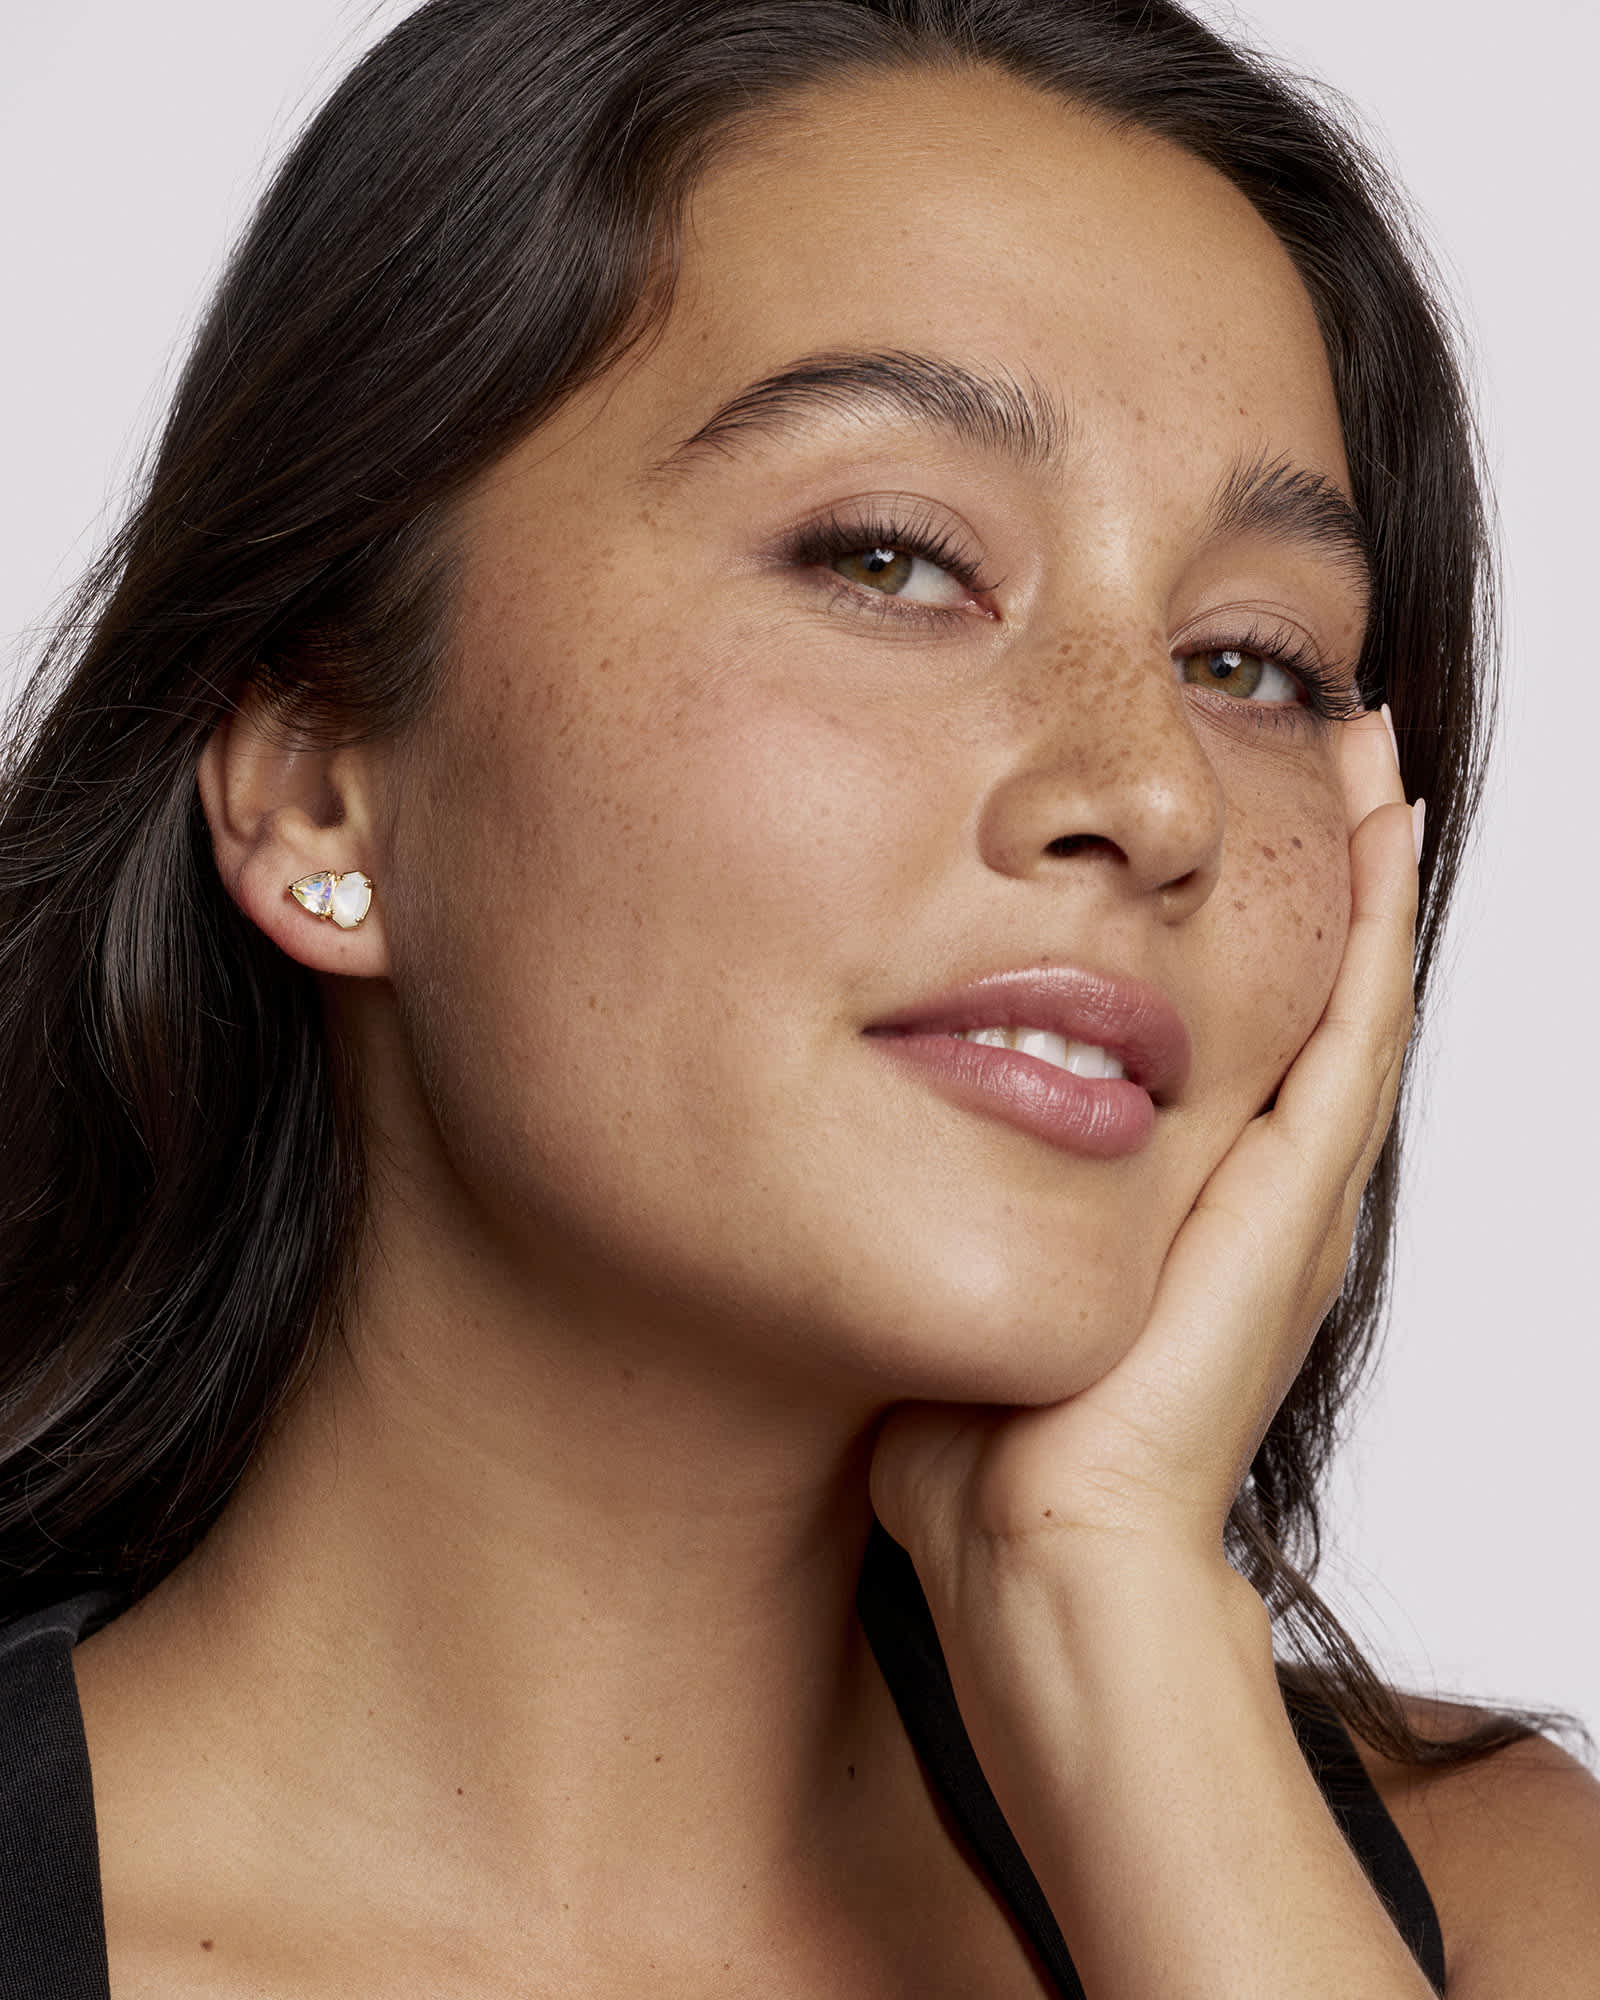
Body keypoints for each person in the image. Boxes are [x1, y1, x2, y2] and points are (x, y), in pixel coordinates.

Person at [1, 0, 1596, 1992]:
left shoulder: (1498, 1916)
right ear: (322, 772)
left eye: (1251, 662)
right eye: (889, 557)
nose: (1150, 791)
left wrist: (1111, 1614)